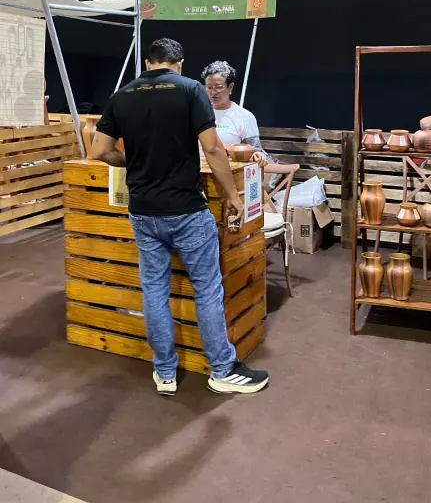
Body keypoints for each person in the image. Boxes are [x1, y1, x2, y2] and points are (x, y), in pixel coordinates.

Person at [92, 38, 269, 397]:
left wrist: (133, 161)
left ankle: (165, 371)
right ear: (180, 64)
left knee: (154, 290)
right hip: (186, 210)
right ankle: (222, 370)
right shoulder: (190, 90)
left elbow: (100, 151)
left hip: (143, 211)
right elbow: (212, 147)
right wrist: (232, 195)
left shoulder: (121, 95)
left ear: (148, 62)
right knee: (207, 289)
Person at [201, 60, 298, 177]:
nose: (213, 92)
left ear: (230, 87)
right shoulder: (199, 112)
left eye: (218, 87)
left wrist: (258, 155)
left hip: (230, 174)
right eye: (209, 87)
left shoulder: (244, 117)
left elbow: (255, 150)